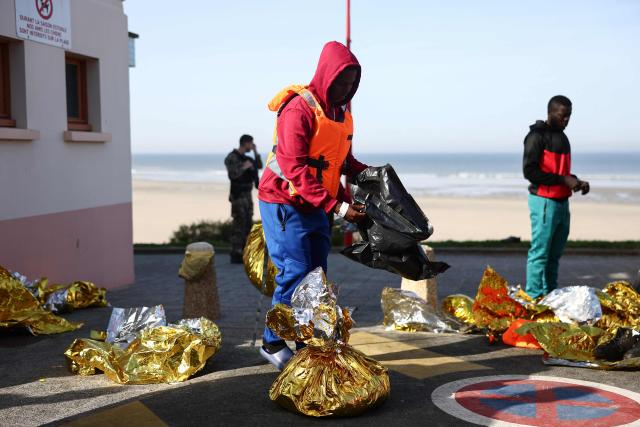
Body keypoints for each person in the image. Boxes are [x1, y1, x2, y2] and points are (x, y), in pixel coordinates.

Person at [257, 41, 368, 369]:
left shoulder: (342, 111)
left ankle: (304, 336)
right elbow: (295, 169)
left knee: (315, 276)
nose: (346, 89)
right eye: (341, 82)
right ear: (326, 76)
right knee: (293, 273)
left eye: (352, 84)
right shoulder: (298, 108)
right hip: (285, 201)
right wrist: (339, 207)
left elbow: (339, 161)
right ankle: (271, 341)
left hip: (319, 203)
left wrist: (367, 176)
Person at [523, 95, 590, 299]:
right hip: (544, 202)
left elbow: (561, 172)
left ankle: (550, 295)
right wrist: (563, 180)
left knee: (554, 255)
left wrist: (576, 182)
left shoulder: (563, 138)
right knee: (540, 254)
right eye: (562, 116)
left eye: (569, 116)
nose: (566, 121)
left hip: (562, 203)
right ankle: (534, 299)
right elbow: (530, 172)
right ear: (550, 112)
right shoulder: (536, 136)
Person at [224, 134, 262, 263]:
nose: (252, 146)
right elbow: (233, 175)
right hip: (238, 195)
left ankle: (245, 253)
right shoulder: (231, 157)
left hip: (247, 194)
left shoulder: (248, 158)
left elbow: (259, 166)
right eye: (251, 144)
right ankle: (236, 253)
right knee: (238, 223)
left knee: (247, 223)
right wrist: (244, 167)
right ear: (245, 143)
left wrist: (256, 153)